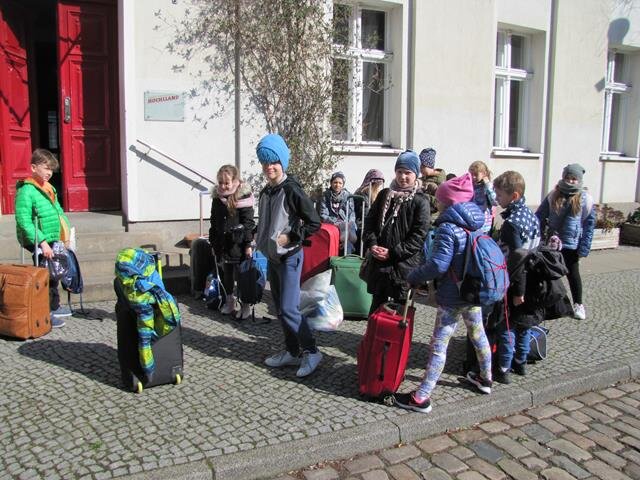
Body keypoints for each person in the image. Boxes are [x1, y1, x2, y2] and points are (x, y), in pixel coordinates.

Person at [395, 173, 492, 414]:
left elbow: (438, 265)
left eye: (439, 199)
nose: (436, 202)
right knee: (477, 333)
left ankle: (422, 397)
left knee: (439, 344)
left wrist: (414, 276)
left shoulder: (448, 228)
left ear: (448, 202)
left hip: (452, 295)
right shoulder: (478, 221)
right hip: (471, 291)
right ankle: (485, 378)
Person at [254, 133, 323, 377]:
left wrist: (292, 236)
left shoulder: (292, 190)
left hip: (290, 257)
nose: (269, 167)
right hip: (273, 258)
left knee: (289, 309)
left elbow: (314, 222)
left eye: (273, 162)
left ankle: (312, 351)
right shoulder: (266, 191)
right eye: (265, 162)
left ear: (282, 162)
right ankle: (292, 352)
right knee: (281, 310)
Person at [361, 150, 430, 314]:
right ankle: (374, 332)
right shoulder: (385, 195)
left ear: (416, 174)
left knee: (398, 313)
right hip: (380, 263)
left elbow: (418, 236)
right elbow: (370, 222)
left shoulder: (421, 201)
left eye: (407, 173)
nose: (403, 177)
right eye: (399, 172)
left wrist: (392, 253)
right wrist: (372, 244)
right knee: (376, 309)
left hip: (404, 266)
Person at [15, 148, 73, 328]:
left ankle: (54, 306)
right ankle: (44, 313)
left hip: (52, 237)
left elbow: (58, 211)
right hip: (38, 240)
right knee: (43, 277)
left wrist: (66, 233)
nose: (49, 173)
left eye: (51, 170)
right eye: (46, 168)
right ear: (34, 168)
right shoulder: (26, 191)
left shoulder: (49, 188)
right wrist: (42, 243)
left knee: (54, 273)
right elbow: (24, 220)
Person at [492, 170, 541, 382]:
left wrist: (517, 291)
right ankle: (521, 362)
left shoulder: (512, 223)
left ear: (514, 196)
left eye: (499, 195)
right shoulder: (531, 215)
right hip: (533, 277)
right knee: (524, 323)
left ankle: (504, 368)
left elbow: (517, 258)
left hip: (514, 280)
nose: (496, 198)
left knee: (507, 324)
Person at [536, 163, 595, 321]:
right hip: (553, 242)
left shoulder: (585, 199)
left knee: (573, 274)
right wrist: (537, 236)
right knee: (549, 274)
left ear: (579, 180)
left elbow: (589, 225)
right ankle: (548, 303)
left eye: (574, 178)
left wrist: (584, 248)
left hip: (571, 244)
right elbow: (540, 215)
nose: (570, 181)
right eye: (568, 177)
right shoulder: (553, 195)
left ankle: (578, 304)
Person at [209, 164, 256, 320]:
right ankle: (230, 302)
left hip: (239, 244)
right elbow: (214, 222)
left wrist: (248, 244)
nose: (223, 186)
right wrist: (213, 243)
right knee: (227, 275)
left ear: (235, 181)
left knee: (242, 276)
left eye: (227, 183)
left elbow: (248, 223)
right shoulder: (217, 198)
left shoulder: (244, 197)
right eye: (220, 183)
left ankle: (245, 305)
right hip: (223, 244)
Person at [319, 171, 356, 253]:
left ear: (343, 184)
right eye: (335, 182)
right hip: (331, 222)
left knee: (349, 232)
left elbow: (352, 213)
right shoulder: (325, 195)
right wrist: (335, 222)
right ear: (331, 183)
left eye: (340, 183)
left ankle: (347, 254)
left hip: (345, 223)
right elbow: (323, 214)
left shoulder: (348, 196)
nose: (337, 185)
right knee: (345, 233)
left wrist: (350, 222)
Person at [353, 169, 385, 251]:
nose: (378, 186)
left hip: (370, 221)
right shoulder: (363, 193)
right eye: (377, 184)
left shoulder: (376, 193)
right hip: (361, 223)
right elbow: (365, 213)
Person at [468, 161, 498, 234]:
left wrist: (487, 185)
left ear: (484, 174)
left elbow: (495, 202)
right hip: (472, 222)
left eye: (476, 174)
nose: (473, 177)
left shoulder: (488, 186)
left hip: (484, 225)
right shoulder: (470, 186)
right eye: (471, 174)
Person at [419, 148, 446, 216]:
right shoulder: (424, 177)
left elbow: (439, 202)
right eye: (419, 167)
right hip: (423, 213)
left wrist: (422, 196)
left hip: (432, 217)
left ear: (429, 165)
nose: (420, 170)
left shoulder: (440, 181)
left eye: (423, 167)